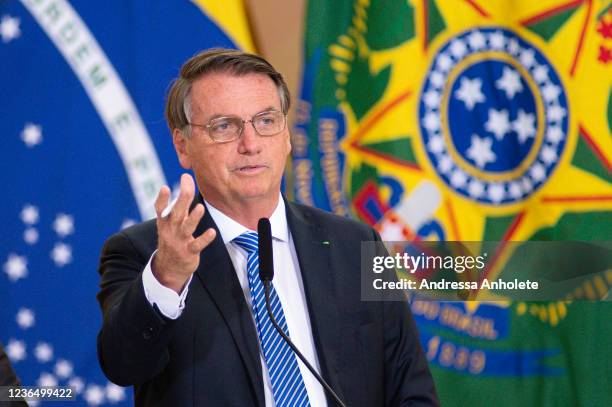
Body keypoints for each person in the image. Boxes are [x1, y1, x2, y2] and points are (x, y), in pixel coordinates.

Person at [97, 48, 438, 407]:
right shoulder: (143, 253)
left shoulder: (356, 245)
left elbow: (411, 390)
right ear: (183, 147)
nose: (250, 144)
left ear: (287, 135)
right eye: (224, 127)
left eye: (265, 121)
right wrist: (167, 277)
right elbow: (123, 364)